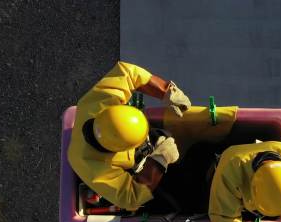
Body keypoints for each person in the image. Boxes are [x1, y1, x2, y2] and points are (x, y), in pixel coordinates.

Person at [68, 61, 191, 211]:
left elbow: (129, 73)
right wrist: (159, 161)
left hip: (139, 148)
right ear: (121, 150)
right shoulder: (93, 166)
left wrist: (167, 92)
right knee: (175, 197)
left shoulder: (99, 102)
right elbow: (132, 198)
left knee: (161, 136)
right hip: (133, 171)